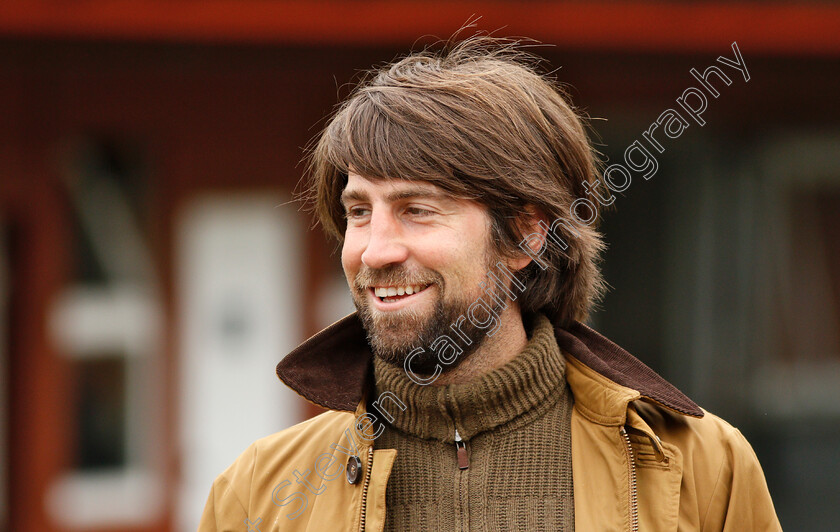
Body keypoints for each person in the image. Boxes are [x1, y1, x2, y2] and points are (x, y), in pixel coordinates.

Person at [198, 36, 781, 531]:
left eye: (417, 209)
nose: (374, 250)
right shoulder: (259, 495)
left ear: (527, 235)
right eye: (359, 211)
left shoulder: (704, 470)